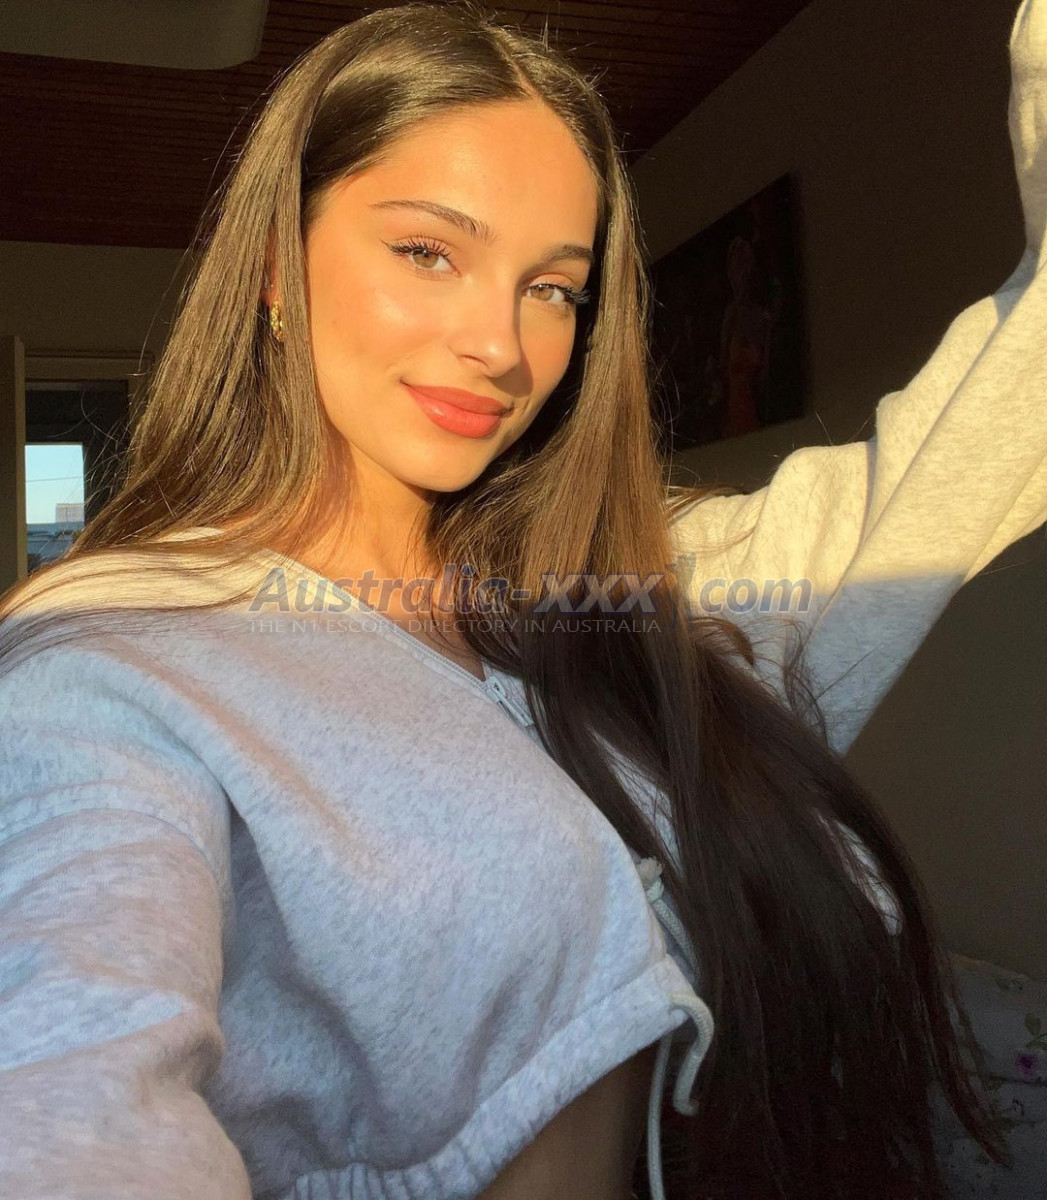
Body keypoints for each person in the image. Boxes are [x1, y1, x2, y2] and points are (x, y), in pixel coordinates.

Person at [0, 2, 1044, 1197]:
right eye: (427, 252)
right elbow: (64, 1076)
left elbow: (971, 454)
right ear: (280, 266)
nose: (501, 345)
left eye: (552, 288)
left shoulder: (633, 591)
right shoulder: (120, 652)